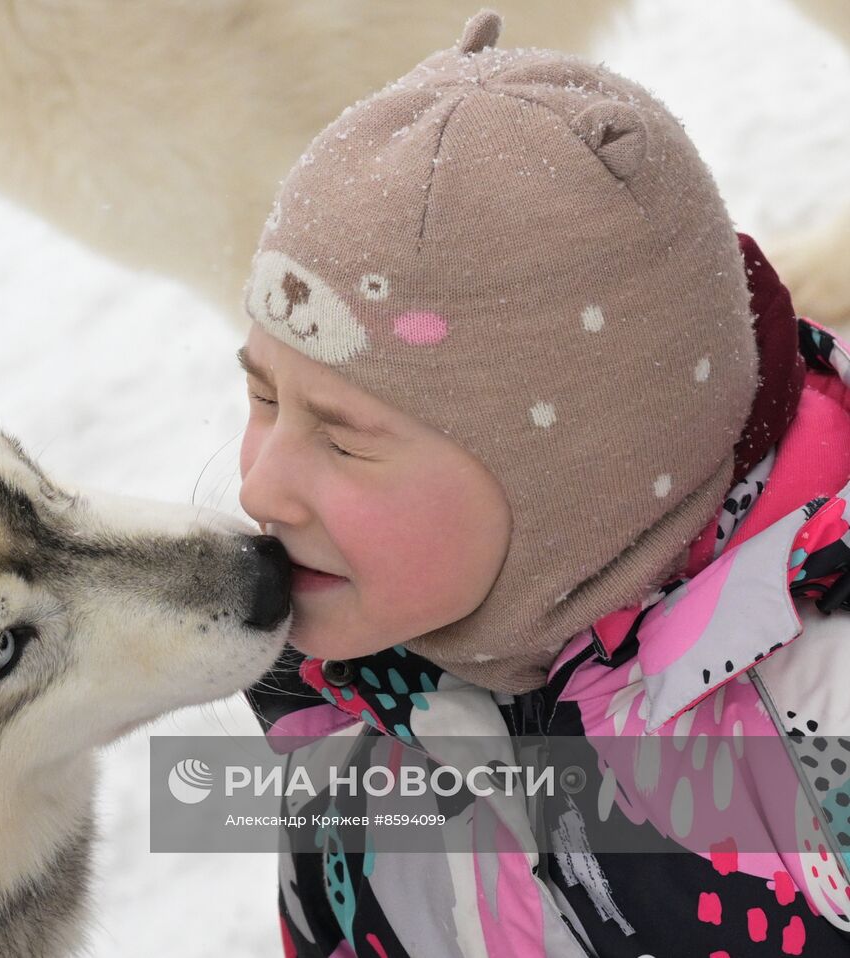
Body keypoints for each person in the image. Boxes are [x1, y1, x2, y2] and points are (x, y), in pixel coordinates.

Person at [240, 10, 850, 956]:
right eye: (263, 396)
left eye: (346, 440)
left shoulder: (821, 720)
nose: (260, 488)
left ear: (573, 481)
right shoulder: (356, 702)